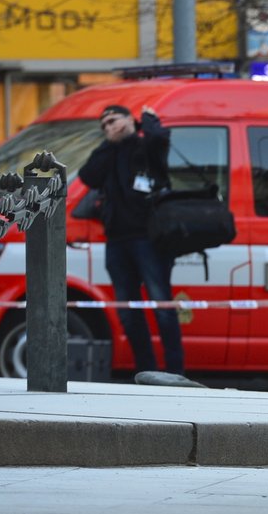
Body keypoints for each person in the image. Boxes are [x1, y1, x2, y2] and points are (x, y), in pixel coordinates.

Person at [79, 104, 184, 376]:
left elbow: (160, 140)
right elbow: (87, 175)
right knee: (127, 310)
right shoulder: (109, 152)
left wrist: (147, 121)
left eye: (113, 120)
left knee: (161, 304)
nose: (109, 127)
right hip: (117, 241)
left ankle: (176, 371)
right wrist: (108, 143)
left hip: (149, 239)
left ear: (129, 119)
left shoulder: (146, 145)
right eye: (104, 125)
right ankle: (146, 370)